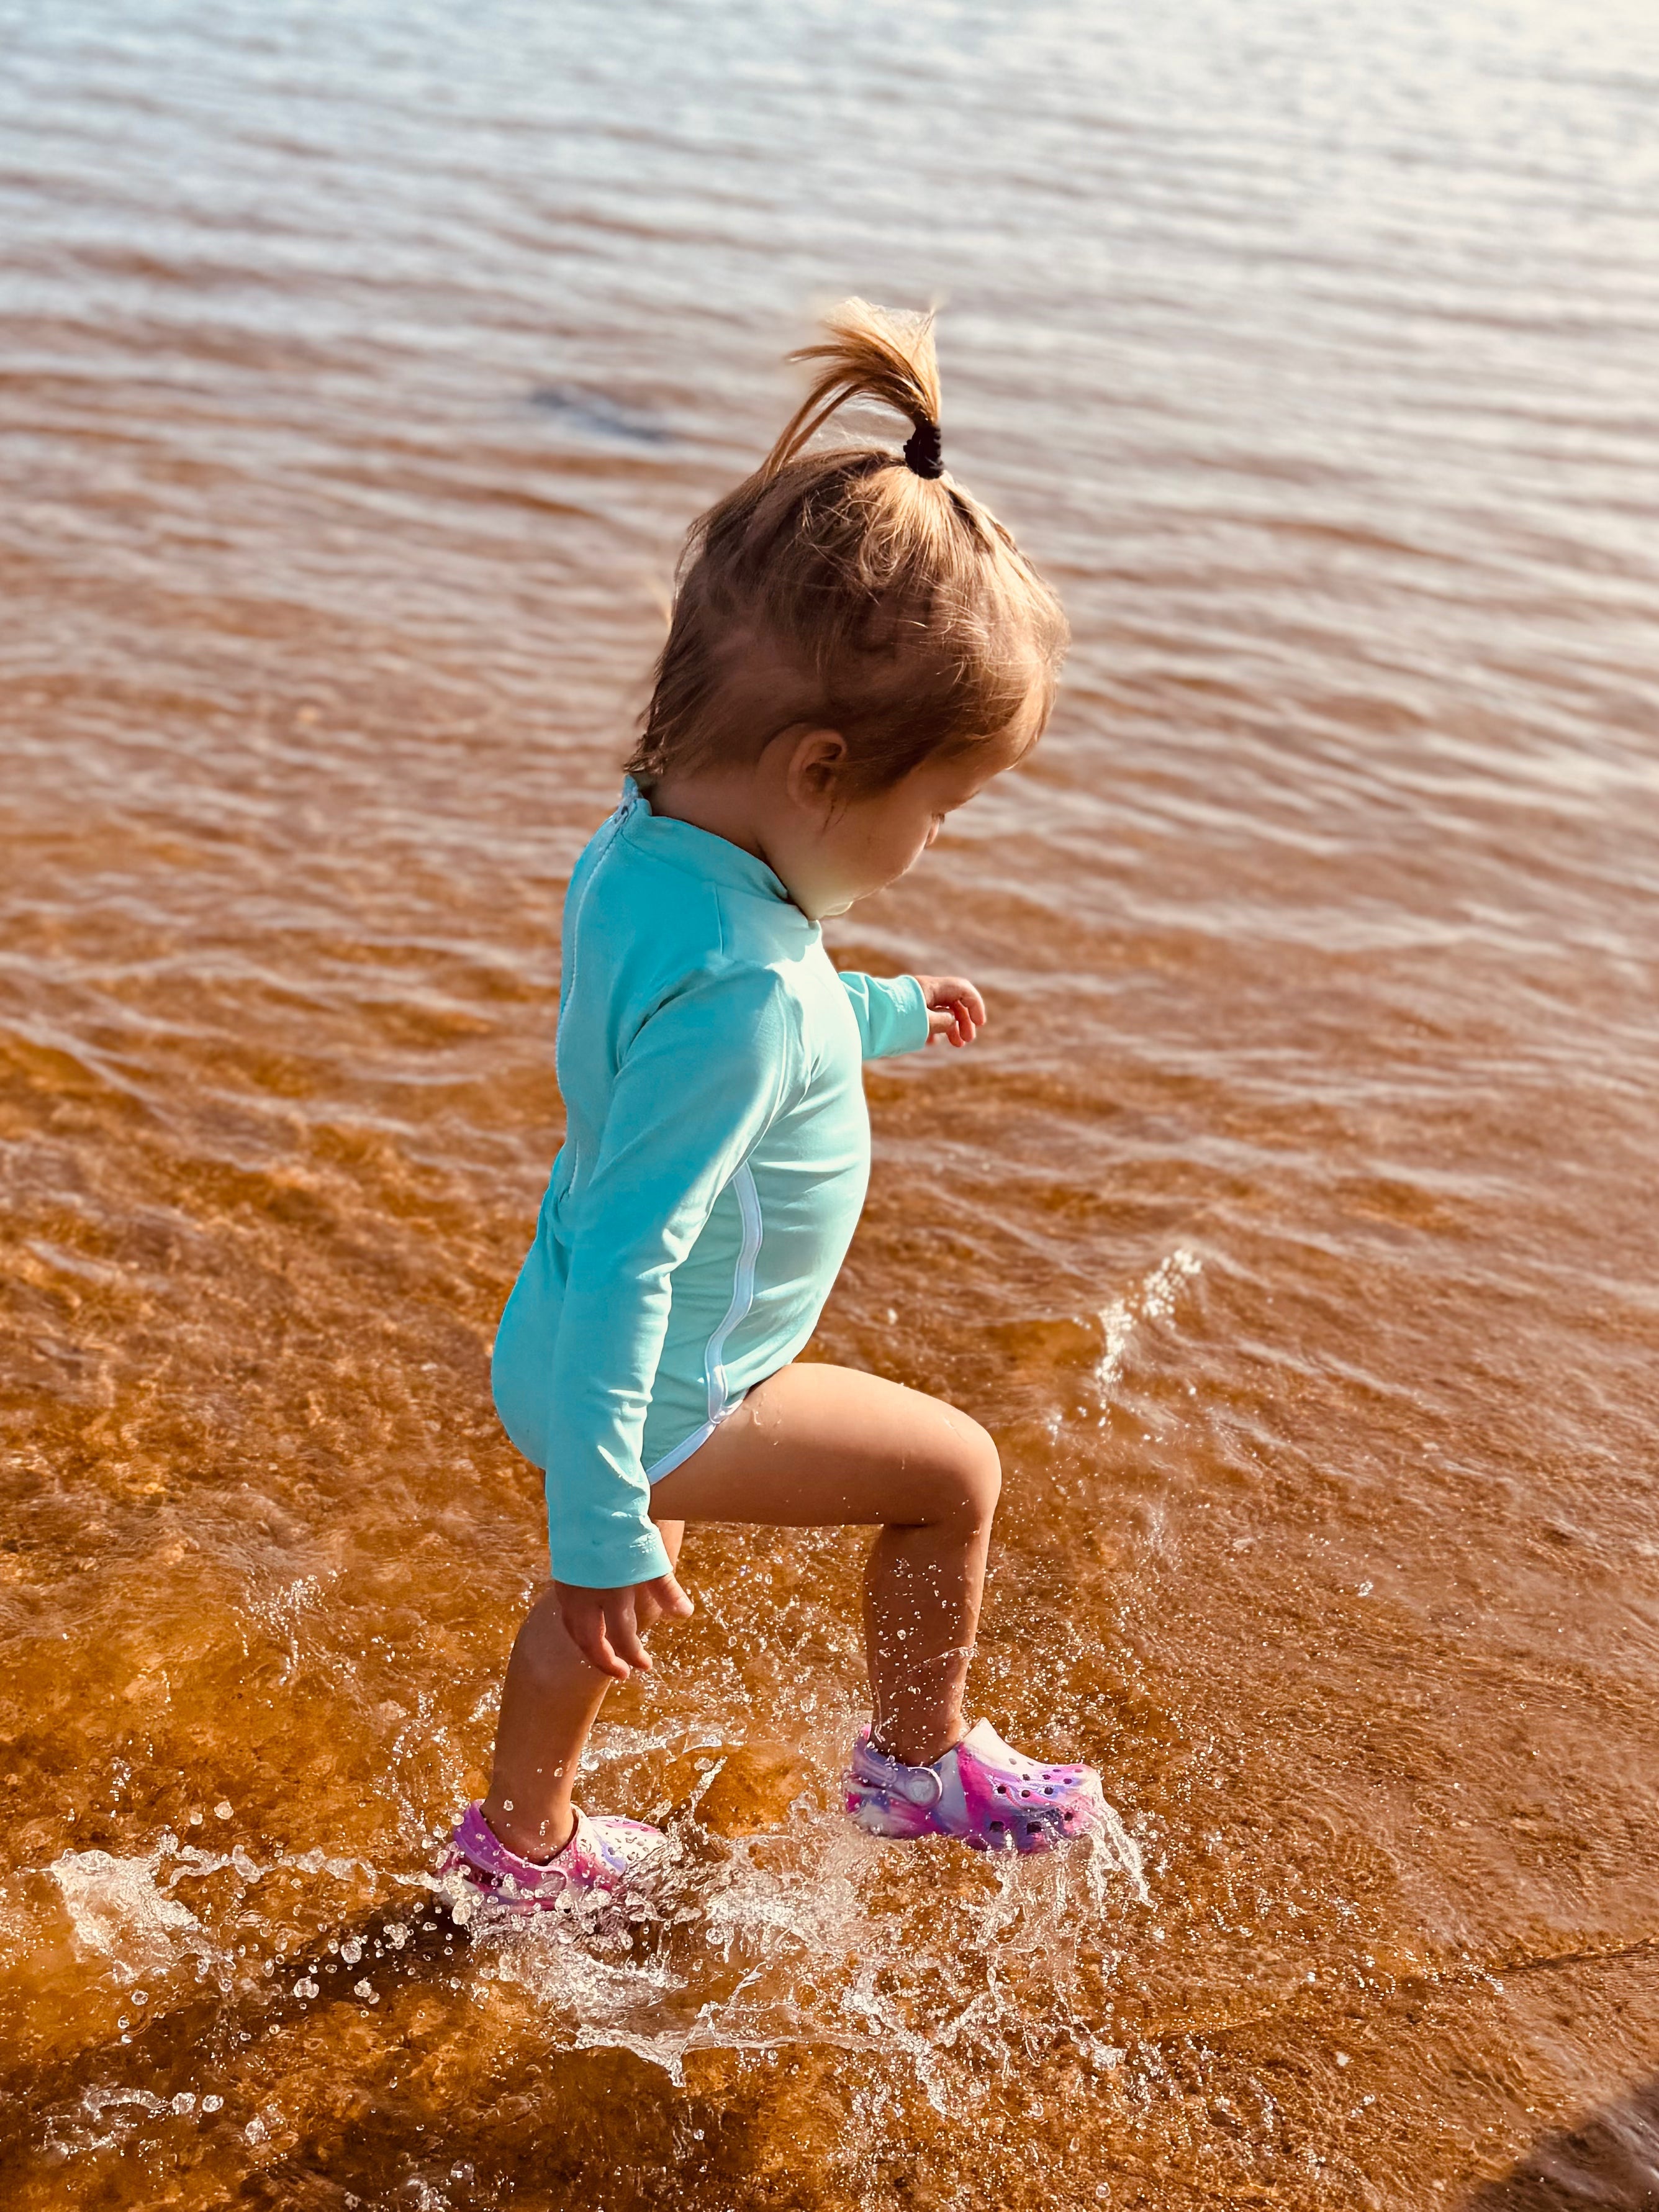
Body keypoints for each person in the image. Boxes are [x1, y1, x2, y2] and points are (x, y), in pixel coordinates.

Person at [441, 300, 1105, 1908]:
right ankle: (916, 1761)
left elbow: (709, 1008)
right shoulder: (747, 994)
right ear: (817, 771)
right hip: (667, 1376)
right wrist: (608, 1505)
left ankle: (522, 1847)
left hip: (559, 1338)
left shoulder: (643, 852)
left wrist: (874, 1009)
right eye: (937, 805)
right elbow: (637, 1247)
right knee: (952, 1476)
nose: (935, 839)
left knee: (578, 1613)